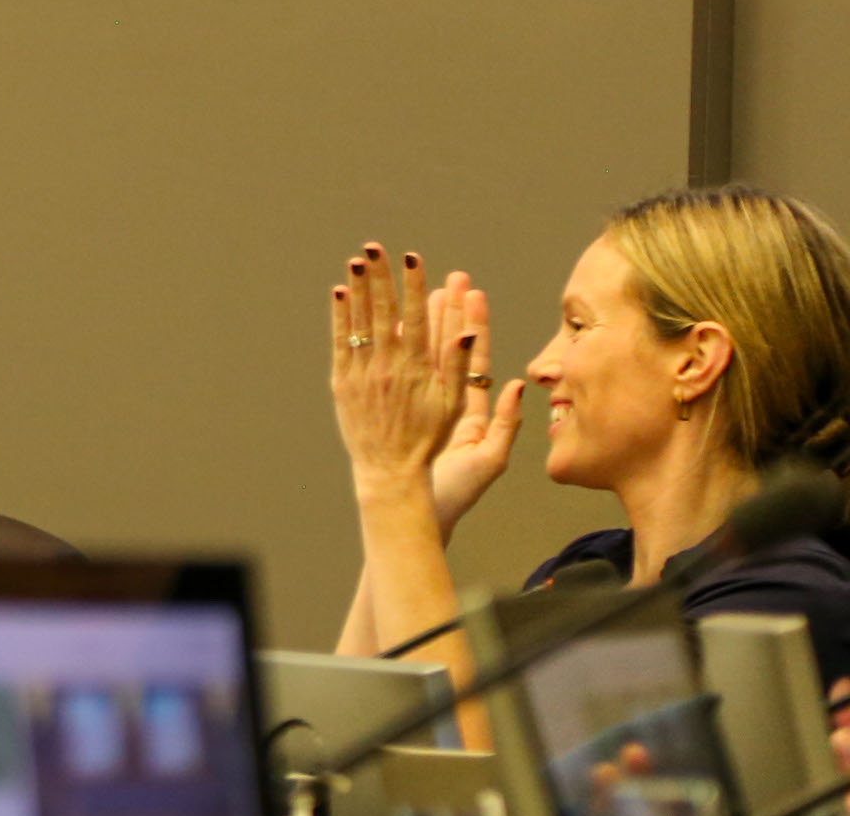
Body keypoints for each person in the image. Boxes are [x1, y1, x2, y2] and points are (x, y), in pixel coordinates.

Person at [327, 186, 850, 693]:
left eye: (577, 325)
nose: (541, 366)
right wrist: (424, 505)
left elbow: (482, 768)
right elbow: (351, 737)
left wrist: (391, 482)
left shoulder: (783, 597)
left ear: (694, 362)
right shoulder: (588, 571)